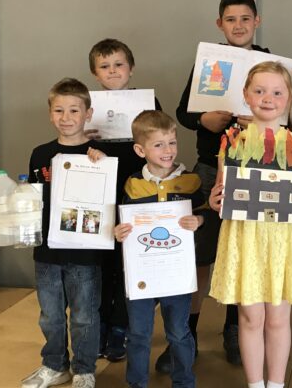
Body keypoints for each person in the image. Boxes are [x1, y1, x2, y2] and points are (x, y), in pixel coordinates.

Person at [209, 62, 292, 388]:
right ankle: (255, 384)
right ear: (246, 95)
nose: (268, 98)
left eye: (277, 92)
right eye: (260, 91)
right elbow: (221, 190)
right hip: (245, 236)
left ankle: (275, 384)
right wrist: (215, 200)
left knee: (277, 319)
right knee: (250, 317)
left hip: (285, 239)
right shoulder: (231, 142)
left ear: (289, 97)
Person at [175, 0, 267, 367]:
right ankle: (186, 334)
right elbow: (182, 113)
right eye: (231, 19)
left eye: (245, 18)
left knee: (240, 255)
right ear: (219, 24)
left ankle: (233, 330)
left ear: (257, 22)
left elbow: (288, 116)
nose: (238, 25)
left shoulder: (269, 64)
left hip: (252, 169)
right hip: (209, 169)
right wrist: (203, 120)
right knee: (199, 253)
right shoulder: (208, 62)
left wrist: (260, 120)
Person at [0, 78, 106, 388]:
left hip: (85, 251)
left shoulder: (99, 155)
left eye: (74, 110)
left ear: (88, 114)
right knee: (50, 314)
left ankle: (84, 370)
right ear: (49, 114)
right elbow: (32, 197)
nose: (66, 117)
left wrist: (101, 164)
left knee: (85, 314)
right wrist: (2, 194)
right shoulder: (40, 153)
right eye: (59, 110)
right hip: (46, 249)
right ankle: (55, 365)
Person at [114, 110, 211, 388]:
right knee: (138, 334)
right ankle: (137, 384)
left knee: (179, 332)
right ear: (140, 150)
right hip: (141, 273)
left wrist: (199, 220)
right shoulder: (132, 184)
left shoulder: (191, 181)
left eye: (172, 142)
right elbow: (123, 221)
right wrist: (117, 231)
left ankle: (184, 382)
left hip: (176, 273)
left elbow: (206, 214)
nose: (168, 150)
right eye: (158, 145)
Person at [87, 38, 162, 362]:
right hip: (100, 194)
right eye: (104, 66)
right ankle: (101, 324)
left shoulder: (148, 103)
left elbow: (159, 141)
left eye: (119, 64)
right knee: (102, 263)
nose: (113, 71)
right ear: (95, 73)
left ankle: (121, 326)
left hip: (137, 193)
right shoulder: (87, 108)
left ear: (131, 68)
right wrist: (83, 140)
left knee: (130, 261)